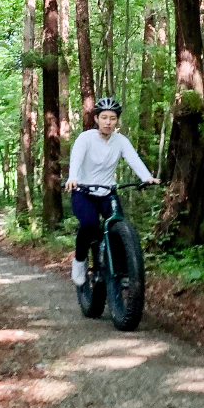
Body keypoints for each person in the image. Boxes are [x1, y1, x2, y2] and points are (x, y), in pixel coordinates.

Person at [64, 96, 158, 286]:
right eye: (104, 117)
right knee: (89, 225)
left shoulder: (120, 141)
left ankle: (121, 271)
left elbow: (133, 159)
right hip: (83, 191)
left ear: (117, 120)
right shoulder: (85, 138)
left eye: (113, 118)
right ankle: (80, 261)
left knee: (119, 226)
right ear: (96, 118)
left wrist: (146, 177)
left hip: (108, 192)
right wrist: (72, 177)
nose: (108, 122)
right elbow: (76, 159)